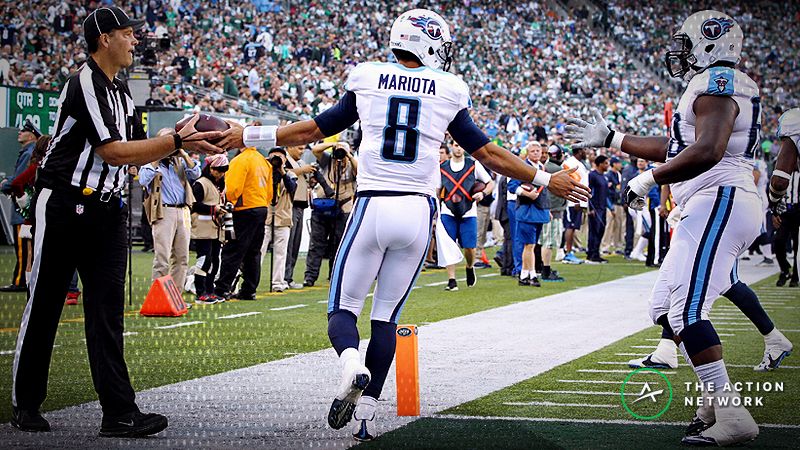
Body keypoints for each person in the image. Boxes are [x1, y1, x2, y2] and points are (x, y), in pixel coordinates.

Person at [217, 8, 588, 441]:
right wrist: (545, 178)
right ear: (427, 42)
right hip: (418, 212)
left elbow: (310, 131)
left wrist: (247, 135)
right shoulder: (449, 88)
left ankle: (351, 366)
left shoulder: (367, 77)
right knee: (386, 318)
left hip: (374, 205)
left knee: (343, 308)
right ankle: (366, 419)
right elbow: (488, 154)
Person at [567, 10, 781, 445]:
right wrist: (614, 139)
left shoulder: (719, 84)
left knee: (686, 312)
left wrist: (648, 178)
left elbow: (708, 149)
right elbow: (681, 145)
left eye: (686, 43)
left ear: (710, 44)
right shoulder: (707, 88)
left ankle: (733, 415)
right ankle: (711, 403)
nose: (678, 53)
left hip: (720, 198)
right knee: (665, 307)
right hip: (706, 202)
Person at [10, 5, 222, 437]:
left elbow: (131, 152)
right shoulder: (84, 81)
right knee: (46, 303)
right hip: (65, 204)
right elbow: (110, 150)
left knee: (108, 312)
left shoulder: (123, 92)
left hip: (106, 208)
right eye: (127, 33)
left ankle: (119, 412)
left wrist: (176, 142)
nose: (135, 40)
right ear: (104, 38)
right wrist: (175, 140)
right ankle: (25, 402)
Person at [139, 129, 201, 292]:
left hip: (183, 211)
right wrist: (158, 155)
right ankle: (159, 296)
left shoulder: (178, 163)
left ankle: (175, 296)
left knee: (182, 258)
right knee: (163, 257)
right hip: (163, 212)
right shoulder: (151, 163)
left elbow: (196, 173)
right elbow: (143, 180)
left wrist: (182, 152)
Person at [214, 145, 272, 300]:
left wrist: (229, 202)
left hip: (244, 208)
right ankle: (249, 289)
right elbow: (269, 190)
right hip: (261, 207)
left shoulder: (240, 160)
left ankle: (222, 288)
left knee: (233, 249)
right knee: (253, 251)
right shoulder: (263, 161)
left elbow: (233, 187)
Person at [439, 141, 493, 291]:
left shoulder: (473, 165)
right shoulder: (442, 168)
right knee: (449, 245)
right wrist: (436, 210)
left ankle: (470, 267)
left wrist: (482, 193)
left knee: (469, 247)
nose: (458, 147)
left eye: (461, 145)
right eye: (456, 145)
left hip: (468, 211)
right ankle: (451, 280)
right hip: (448, 210)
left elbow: (490, 183)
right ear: (451, 147)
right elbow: (437, 190)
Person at [304, 141, 357, 287]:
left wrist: (348, 154)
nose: (341, 154)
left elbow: (360, 172)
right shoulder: (328, 160)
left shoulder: (352, 163)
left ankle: (334, 274)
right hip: (323, 205)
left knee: (338, 243)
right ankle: (310, 276)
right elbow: (315, 149)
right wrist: (334, 144)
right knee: (316, 243)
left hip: (343, 206)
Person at [0, 119, 39, 292]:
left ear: (31, 135)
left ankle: (20, 281)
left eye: (23, 131)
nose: (19, 133)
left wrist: (5, 184)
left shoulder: (28, 153)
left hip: (23, 206)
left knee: (23, 247)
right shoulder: (29, 152)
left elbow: (20, 179)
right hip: (27, 205)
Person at [508, 142, 550, 286]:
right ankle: (529, 274)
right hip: (526, 209)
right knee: (529, 244)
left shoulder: (542, 167)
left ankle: (526, 274)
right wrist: (526, 193)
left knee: (532, 243)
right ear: (528, 152)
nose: (536, 153)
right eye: (533, 151)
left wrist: (547, 209)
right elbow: (512, 186)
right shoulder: (521, 166)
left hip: (539, 210)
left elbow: (545, 192)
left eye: (538, 150)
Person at [190, 154, 228, 304]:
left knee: (215, 261)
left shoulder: (220, 184)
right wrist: (213, 209)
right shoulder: (200, 183)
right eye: (218, 170)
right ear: (210, 168)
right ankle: (200, 292)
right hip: (202, 228)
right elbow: (194, 204)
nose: (221, 173)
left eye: (223, 170)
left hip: (216, 229)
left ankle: (210, 291)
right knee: (204, 260)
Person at [769, 108, 800, 287]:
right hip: (787, 211)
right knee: (779, 241)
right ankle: (785, 270)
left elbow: (779, 182)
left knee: (797, 246)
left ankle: (794, 276)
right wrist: (775, 210)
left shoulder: (794, 120)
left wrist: (773, 202)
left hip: (797, 210)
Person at [260, 147, 297, 292]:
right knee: (259, 250)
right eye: (272, 158)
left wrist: (281, 171)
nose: (275, 161)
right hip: (266, 217)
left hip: (283, 218)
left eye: (279, 158)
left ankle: (277, 282)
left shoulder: (290, 174)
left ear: (285, 160)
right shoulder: (263, 174)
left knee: (280, 253)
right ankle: (253, 280)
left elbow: (292, 187)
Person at [285, 145, 314, 289]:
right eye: (299, 148)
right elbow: (283, 173)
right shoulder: (285, 160)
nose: (301, 151)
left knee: (295, 243)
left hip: (301, 205)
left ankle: (288, 277)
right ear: (290, 147)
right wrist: (302, 170)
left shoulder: (301, 163)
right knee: (288, 244)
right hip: (290, 205)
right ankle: (285, 277)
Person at [540, 145, 566, 281]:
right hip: (552, 210)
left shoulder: (547, 167)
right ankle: (545, 270)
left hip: (549, 208)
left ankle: (544, 268)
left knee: (546, 241)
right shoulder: (557, 169)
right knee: (548, 242)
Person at [562, 146, 589, 264]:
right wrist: (576, 200)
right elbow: (569, 181)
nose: (586, 152)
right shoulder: (570, 163)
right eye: (584, 150)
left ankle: (569, 250)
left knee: (573, 228)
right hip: (572, 201)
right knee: (570, 227)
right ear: (579, 151)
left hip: (579, 200)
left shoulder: (579, 163)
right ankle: (568, 252)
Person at [587, 155, 610, 263]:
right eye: (605, 163)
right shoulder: (592, 175)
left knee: (600, 230)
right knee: (594, 230)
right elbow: (590, 192)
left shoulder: (603, 176)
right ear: (600, 164)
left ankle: (595, 252)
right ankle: (592, 253)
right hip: (596, 208)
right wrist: (590, 208)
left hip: (603, 206)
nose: (607, 165)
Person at [602, 156, 625, 254]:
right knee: (609, 225)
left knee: (618, 226)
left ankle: (618, 246)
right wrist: (610, 206)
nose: (620, 165)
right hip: (610, 203)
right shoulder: (608, 175)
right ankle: (605, 246)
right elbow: (607, 192)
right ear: (614, 164)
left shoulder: (618, 174)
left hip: (618, 203)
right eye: (619, 163)